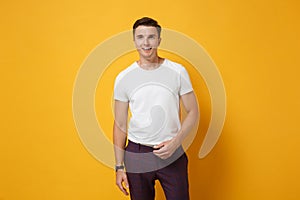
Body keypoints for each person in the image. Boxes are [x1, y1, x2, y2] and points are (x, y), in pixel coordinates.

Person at [113, 17, 199, 200]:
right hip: (137, 154)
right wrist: (119, 167)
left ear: (159, 40)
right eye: (140, 37)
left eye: (151, 37)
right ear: (134, 40)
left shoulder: (178, 71)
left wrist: (176, 142)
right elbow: (120, 124)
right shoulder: (124, 78)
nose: (146, 42)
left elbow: (193, 112)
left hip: (172, 152)